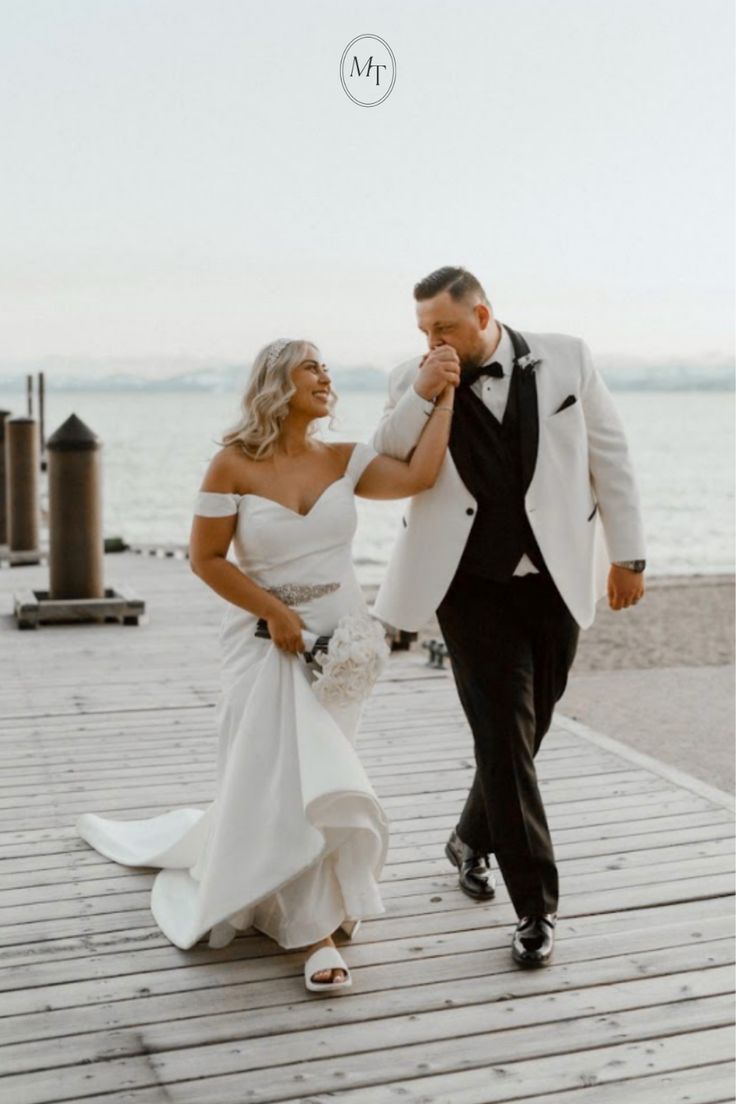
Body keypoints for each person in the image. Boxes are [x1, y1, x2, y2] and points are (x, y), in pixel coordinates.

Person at [76, 337, 454, 994]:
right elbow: (207, 559)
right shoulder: (231, 465)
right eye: (312, 365)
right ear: (277, 381)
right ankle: (313, 930)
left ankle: (317, 902)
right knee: (279, 778)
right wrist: (275, 613)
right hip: (262, 639)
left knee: (323, 778)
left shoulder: (345, 459)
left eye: (325, 367)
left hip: (343, 643)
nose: (324, 375)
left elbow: (420, 476)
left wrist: (442, 390)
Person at [371, 266, 646, 968]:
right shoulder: (412, 375)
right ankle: (536, 910)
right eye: (425, 330)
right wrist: (426, 392)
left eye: (445, 328)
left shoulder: (568, 357)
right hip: (468, 586)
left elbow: (610, 455)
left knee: (529, 729)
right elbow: (387, 459)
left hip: (555, 577)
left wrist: (629, 556)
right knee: (501, 735)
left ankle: (468, 837)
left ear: (482, 314)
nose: (434, 340)